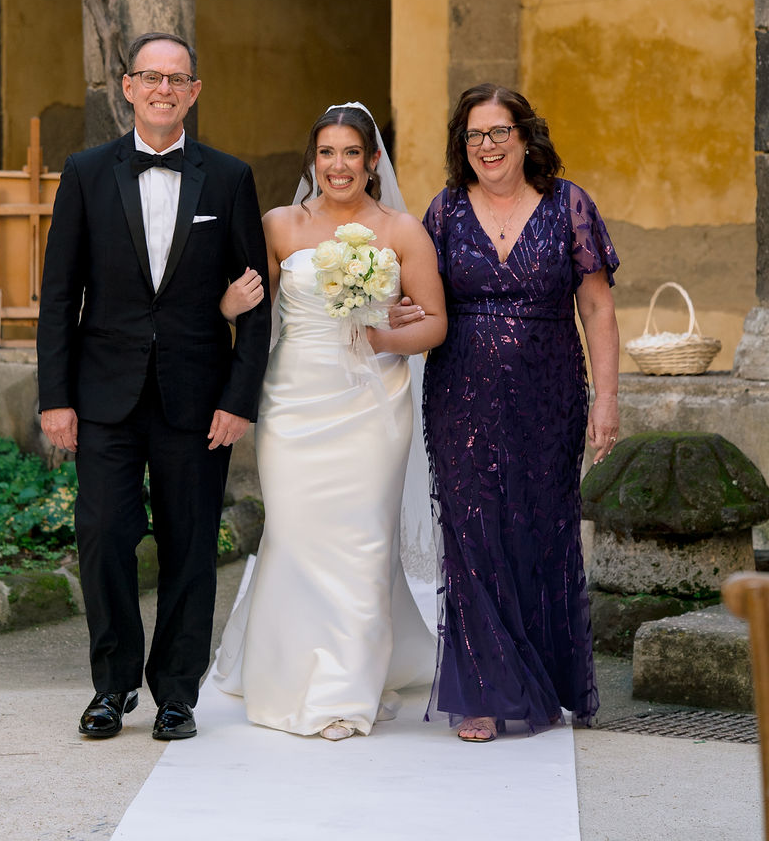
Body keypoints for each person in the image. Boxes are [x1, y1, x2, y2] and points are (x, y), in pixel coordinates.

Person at [36, 32, 271, 742]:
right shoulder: (84, 171)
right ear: (129, 88)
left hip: (196, 399)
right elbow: (58, 295)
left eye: (178, 79)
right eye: (151, 77)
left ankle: (176, 692)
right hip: (102, 394)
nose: (164, 89)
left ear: (194, 92)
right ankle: (111, 688)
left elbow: (254, 299)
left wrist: (239, 398)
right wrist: (55, 396)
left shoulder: (229, 178)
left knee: (191, 543)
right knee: (104, 534)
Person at [391, 83, 619, 743]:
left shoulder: (568, 206)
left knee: (540, 530)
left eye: (499, 133)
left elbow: (598, 307)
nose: (487, 146)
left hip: (549, 395)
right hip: (459, 395)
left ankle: (542, 675)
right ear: (461, 148)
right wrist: (404, 311)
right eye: (474, 136)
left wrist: (607, 396)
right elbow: (420, 299)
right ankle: (484, 692)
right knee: (472, 533)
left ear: (525, 137)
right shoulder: (442, 213)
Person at [212, 103, 446, 739]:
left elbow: (433, 322)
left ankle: (344, 692)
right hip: (293, 399)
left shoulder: (402, 231)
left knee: (362, 541)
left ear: (373, 161)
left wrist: (381, 339)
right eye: (326, 154)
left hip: (373, 406)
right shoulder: (280, 225)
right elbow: (252, 309)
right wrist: (228, 306)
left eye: (351, 153)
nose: (337, 167)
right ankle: (286, 672)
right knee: (294, 533)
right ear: (312, 161)